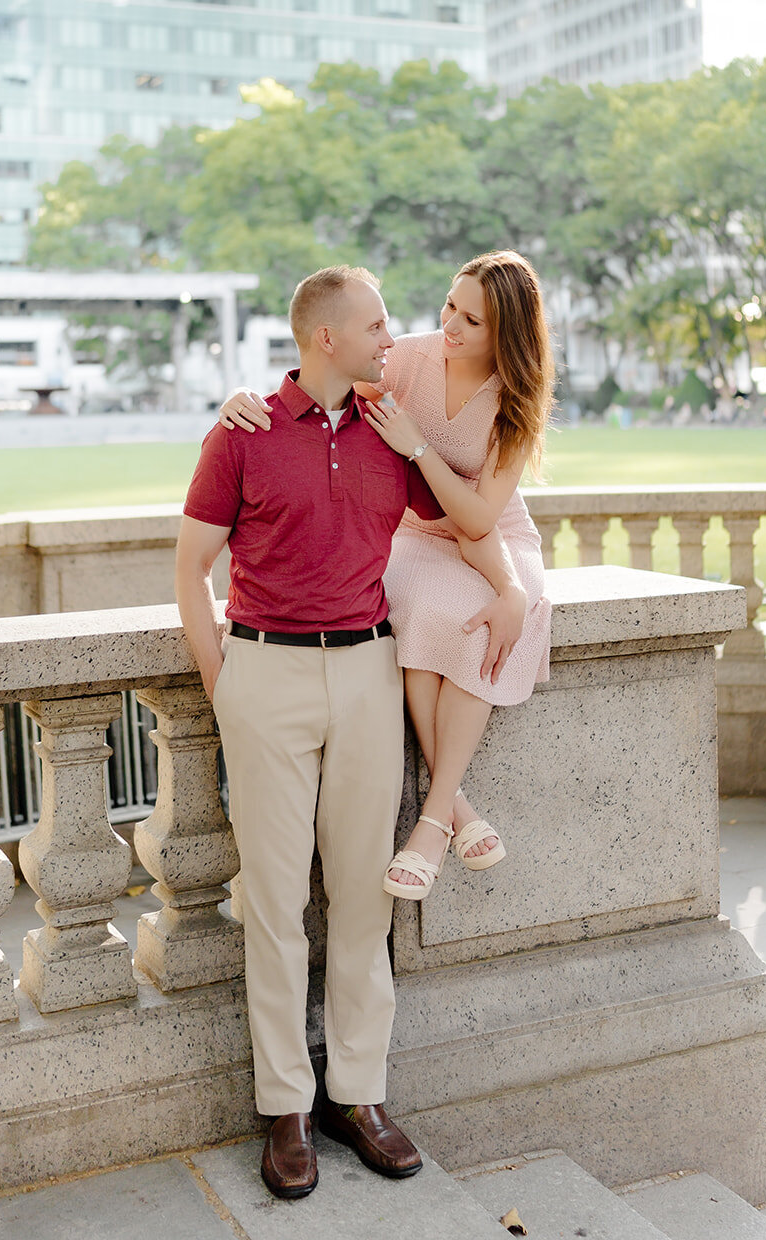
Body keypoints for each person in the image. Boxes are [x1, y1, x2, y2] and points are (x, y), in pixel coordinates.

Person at [175, 264, 525, 1201]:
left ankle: (358, 1097)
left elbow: (464, 524)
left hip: (368, 671)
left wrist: (512, 588)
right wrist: (227, 688)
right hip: (265, 675)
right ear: (325, 337)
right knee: (277, 903)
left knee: (366, 902)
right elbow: (190, 572)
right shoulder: (239, 433)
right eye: (376, 325)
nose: (393, 337)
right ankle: (286, 1108)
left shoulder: (382, 428)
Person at [221, 250, 554, 901]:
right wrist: (243, 397)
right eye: (449, 306)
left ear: (505, 335)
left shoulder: (516, 399)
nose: (449, 326)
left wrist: (418, 449)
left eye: (471, 321)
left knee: (483, 618)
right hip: (415, 533)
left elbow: (480, 519)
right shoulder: (411, 359)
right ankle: (454, 811)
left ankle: (429, 828)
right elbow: (321, 383)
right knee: (422, 613)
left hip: (492, 537)